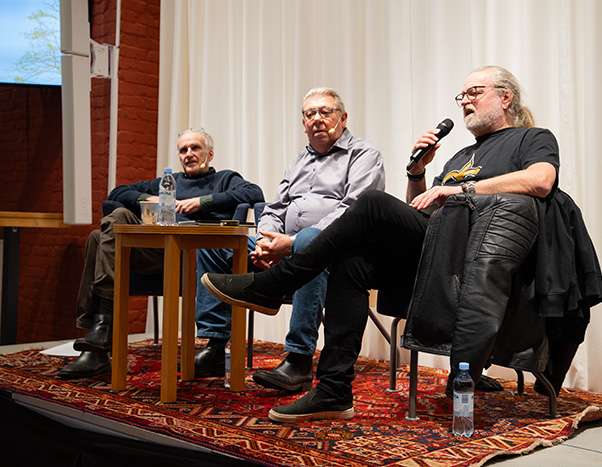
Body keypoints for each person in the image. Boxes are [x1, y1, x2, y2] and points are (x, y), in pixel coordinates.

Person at [201, 66, 560, 422]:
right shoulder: (460, 155)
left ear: (505, 97)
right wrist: (417, 173)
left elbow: (542, 181)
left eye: (474, 92)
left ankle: (274, 284)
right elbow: (421, 206)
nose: (465, 101)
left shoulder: (532, 139)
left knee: (371, 202)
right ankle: (333, 391)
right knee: (351, 263)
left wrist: (458, 189)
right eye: (461, 95)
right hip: (435, 243)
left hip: (471, 254)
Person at [194, 87, 385, 387]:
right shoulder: (299, 160)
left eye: (325, 112)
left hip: (341, 250)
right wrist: (265, 240)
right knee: (215, 243)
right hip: (286, 247)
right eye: (310, 114)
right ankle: (216, 345)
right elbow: (276, 206)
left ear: (343, 117)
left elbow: (353, 210)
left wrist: (292, 244)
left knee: (310, 239)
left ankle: (298, 360)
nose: (317, 119)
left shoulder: (364, 154)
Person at [57, 128, 265, 379]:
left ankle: (101, 332)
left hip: (195, 259)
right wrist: (151, 198)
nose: (189, 154)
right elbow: (117, 193)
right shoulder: (168, 182)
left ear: (209, 154)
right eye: (183, 150)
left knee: (97, 238)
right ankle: (101, 330)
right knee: (107, 228)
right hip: (158, 255)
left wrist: (202, 202)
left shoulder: (224, 179)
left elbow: (254, 193)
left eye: (195, 148)